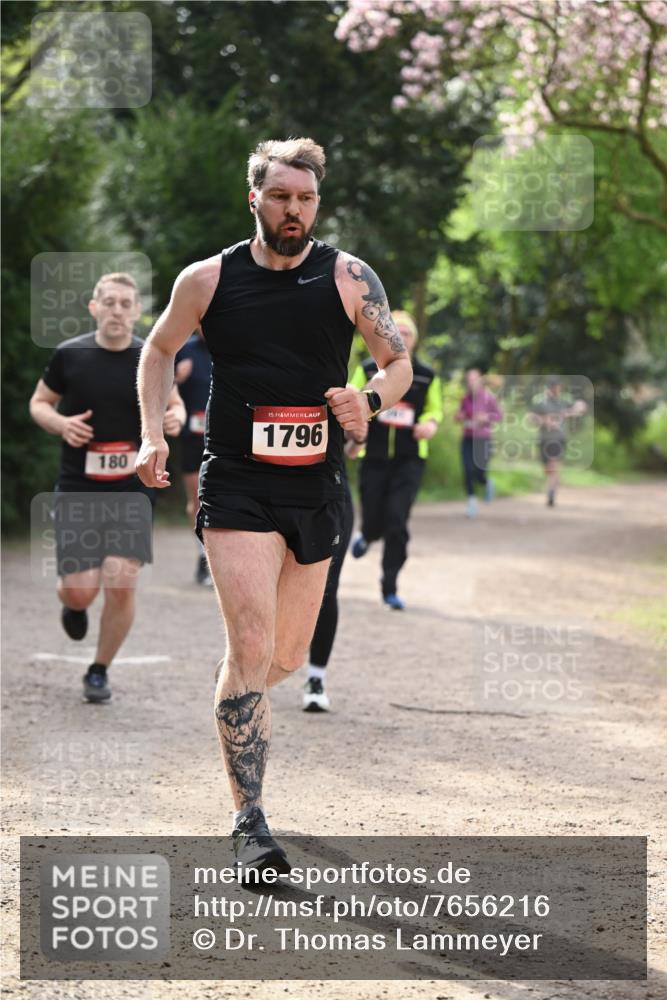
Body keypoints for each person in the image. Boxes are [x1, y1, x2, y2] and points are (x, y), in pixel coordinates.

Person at [135, 138, 412, 875]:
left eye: (306, 198)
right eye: (281, 195)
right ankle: (249, 819)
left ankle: (238, 690)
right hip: (236, 481)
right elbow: (157, 349)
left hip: (315, 482)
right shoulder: (208, 279)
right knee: (254, 645)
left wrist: (368, 400)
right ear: (253, 197)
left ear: (316, 204)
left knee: (283, 655)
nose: (294, 210)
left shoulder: (349, 277)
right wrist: (149, 431)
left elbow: (397, 362)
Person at [29, 272, 185, 702]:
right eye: (109, 302)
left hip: (131, 489)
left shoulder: (151, 357)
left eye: (125, 304)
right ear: (94, 307)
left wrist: (175, 420)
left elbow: (175, 407)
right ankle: (73, 606)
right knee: (80, 590)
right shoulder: (69, 355)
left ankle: (99, 669)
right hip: (79, 486)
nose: (117, 310)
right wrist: (60, 423)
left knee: (121, 580)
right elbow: (39, 403)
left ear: (136, 312)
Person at [349, 311, 442, 610]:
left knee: (397, 521)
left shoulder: (427, 375)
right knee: (375, 516)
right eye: (397, 332)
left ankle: (389, 586)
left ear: (415, 340)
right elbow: (352, 396)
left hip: (409, 460)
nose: (403, 338)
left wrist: (430, 424)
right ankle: (367, 534)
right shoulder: (366, 369)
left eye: (409, 334)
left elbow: (434, 410)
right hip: (373, 456)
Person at [302, 451, 356, 712]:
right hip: (264, 493)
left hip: (329, 493)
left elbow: (356, 443)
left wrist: (358, 437)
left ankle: (316, 678)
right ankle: (248, 670)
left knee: (326, 587)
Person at [174, 328, 213, 585]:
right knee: (197, 497)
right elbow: (162, 388)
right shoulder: (183, 349)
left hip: (229, 434)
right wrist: (177, 378)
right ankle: (203, 556)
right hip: (193, 436)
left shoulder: (239, 341)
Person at [530, 374, 587, 506]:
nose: (555, 390)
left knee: (554, 464)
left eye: (557, 387)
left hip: (558, 438)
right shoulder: (540, 401)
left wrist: (571, 411)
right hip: (544, 438)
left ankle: (551, 492)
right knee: (548, 468)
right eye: (553, 387)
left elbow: (581, 407)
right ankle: (553, 482)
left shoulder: (564, 401)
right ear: (548, 388)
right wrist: (544, 421)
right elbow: (531, 416)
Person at [454, 366, 502, 518]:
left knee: (478, 472)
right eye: (469, 380)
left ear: (480, 381)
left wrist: (486, 418)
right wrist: (460, 417)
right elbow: (458, 416)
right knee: (467, 470)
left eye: (474, 379)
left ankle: (487, 483)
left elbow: (499, 416)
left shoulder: (489, 398)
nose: (471, 382)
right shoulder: (465, 398)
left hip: (483, 440)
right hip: (468, 439)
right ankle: (472, 502)